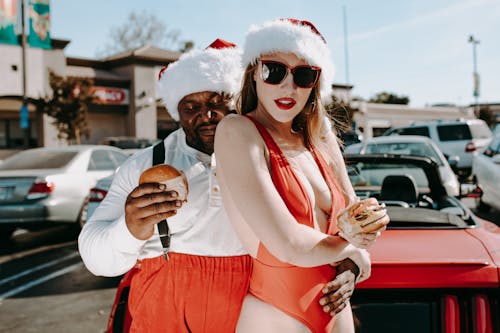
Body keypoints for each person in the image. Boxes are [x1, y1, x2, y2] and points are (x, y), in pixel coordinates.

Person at [78, 38, 359, 333]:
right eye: (191, 106)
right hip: (164, 306)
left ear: (236, 99)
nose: (207, 115)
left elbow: (328, 225)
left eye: (216, 102)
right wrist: (130, 228)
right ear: (177, 113)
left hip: (251, 302)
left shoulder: (279, 158)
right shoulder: (144, 166)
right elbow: (95, 258)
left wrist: (350, 265)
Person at [214, 19, 389, 333]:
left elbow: (355, 221)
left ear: (316, 83)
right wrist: (353, 250)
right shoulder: (237, 132)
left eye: (304, 75)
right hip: (274, 315)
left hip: (338, 314)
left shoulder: (320, 139)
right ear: (254, 71)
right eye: (274, 71)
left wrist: (354, 263)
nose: (288, 87)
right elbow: (289, 244)